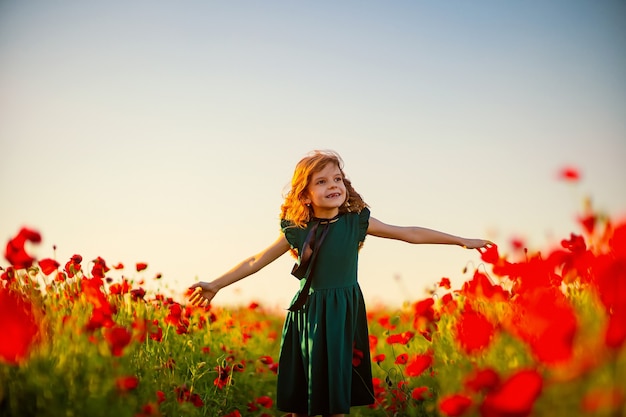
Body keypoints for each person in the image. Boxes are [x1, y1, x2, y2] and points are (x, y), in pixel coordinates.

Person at [188, 150, 493, 417]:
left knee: (336, 402)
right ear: (305, 195)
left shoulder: (356, 222)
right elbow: (256, 260)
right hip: (308, 316)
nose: (333, 185)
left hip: (343, 314)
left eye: (337, 179)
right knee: (303, 406)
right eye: (321, 181)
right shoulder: (297, 230)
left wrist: (459, 241)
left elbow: (409, 233)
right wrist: (216, 284)